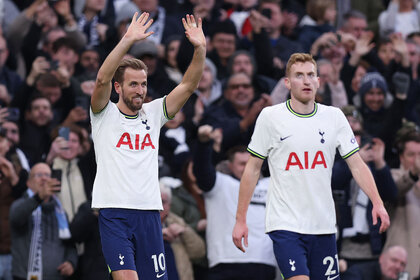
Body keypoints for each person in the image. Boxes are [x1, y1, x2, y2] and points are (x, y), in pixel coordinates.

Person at [232, 53, 390, 280]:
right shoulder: (270, 117)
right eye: (299, 75)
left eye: (310, 75)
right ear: (287, 83)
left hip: (324, 226)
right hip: (285, 225)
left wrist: (377, 202)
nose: (306, 81)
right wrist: (240, 219)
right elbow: (252, 168)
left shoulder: (334, 117)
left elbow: (356, 164)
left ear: (318, 81)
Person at [90, 11, 206, 280]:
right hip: (114, 212)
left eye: (143, 84)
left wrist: (200, 48)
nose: (140, 90)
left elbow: (188, 85)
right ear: (118, 87)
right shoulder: (103, 114)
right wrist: (127, 40)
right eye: (133, 84)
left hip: (150, 214)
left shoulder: (154, 114)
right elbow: (100, 80)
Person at [9, 162, 77, 280]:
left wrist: (71, 262)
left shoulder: (60, 210)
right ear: (28, 183)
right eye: (39, 175)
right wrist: (39, 197)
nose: (44, 178)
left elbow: (70, 243)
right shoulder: (19, 204)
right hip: (25, 277)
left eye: (48, 175)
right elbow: (17, 218)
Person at [341, 245, 408, 280]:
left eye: (402, 264)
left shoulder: (402, 278)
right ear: (381, 258)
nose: (398, 266)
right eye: (394, 260)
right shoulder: (357, 273)